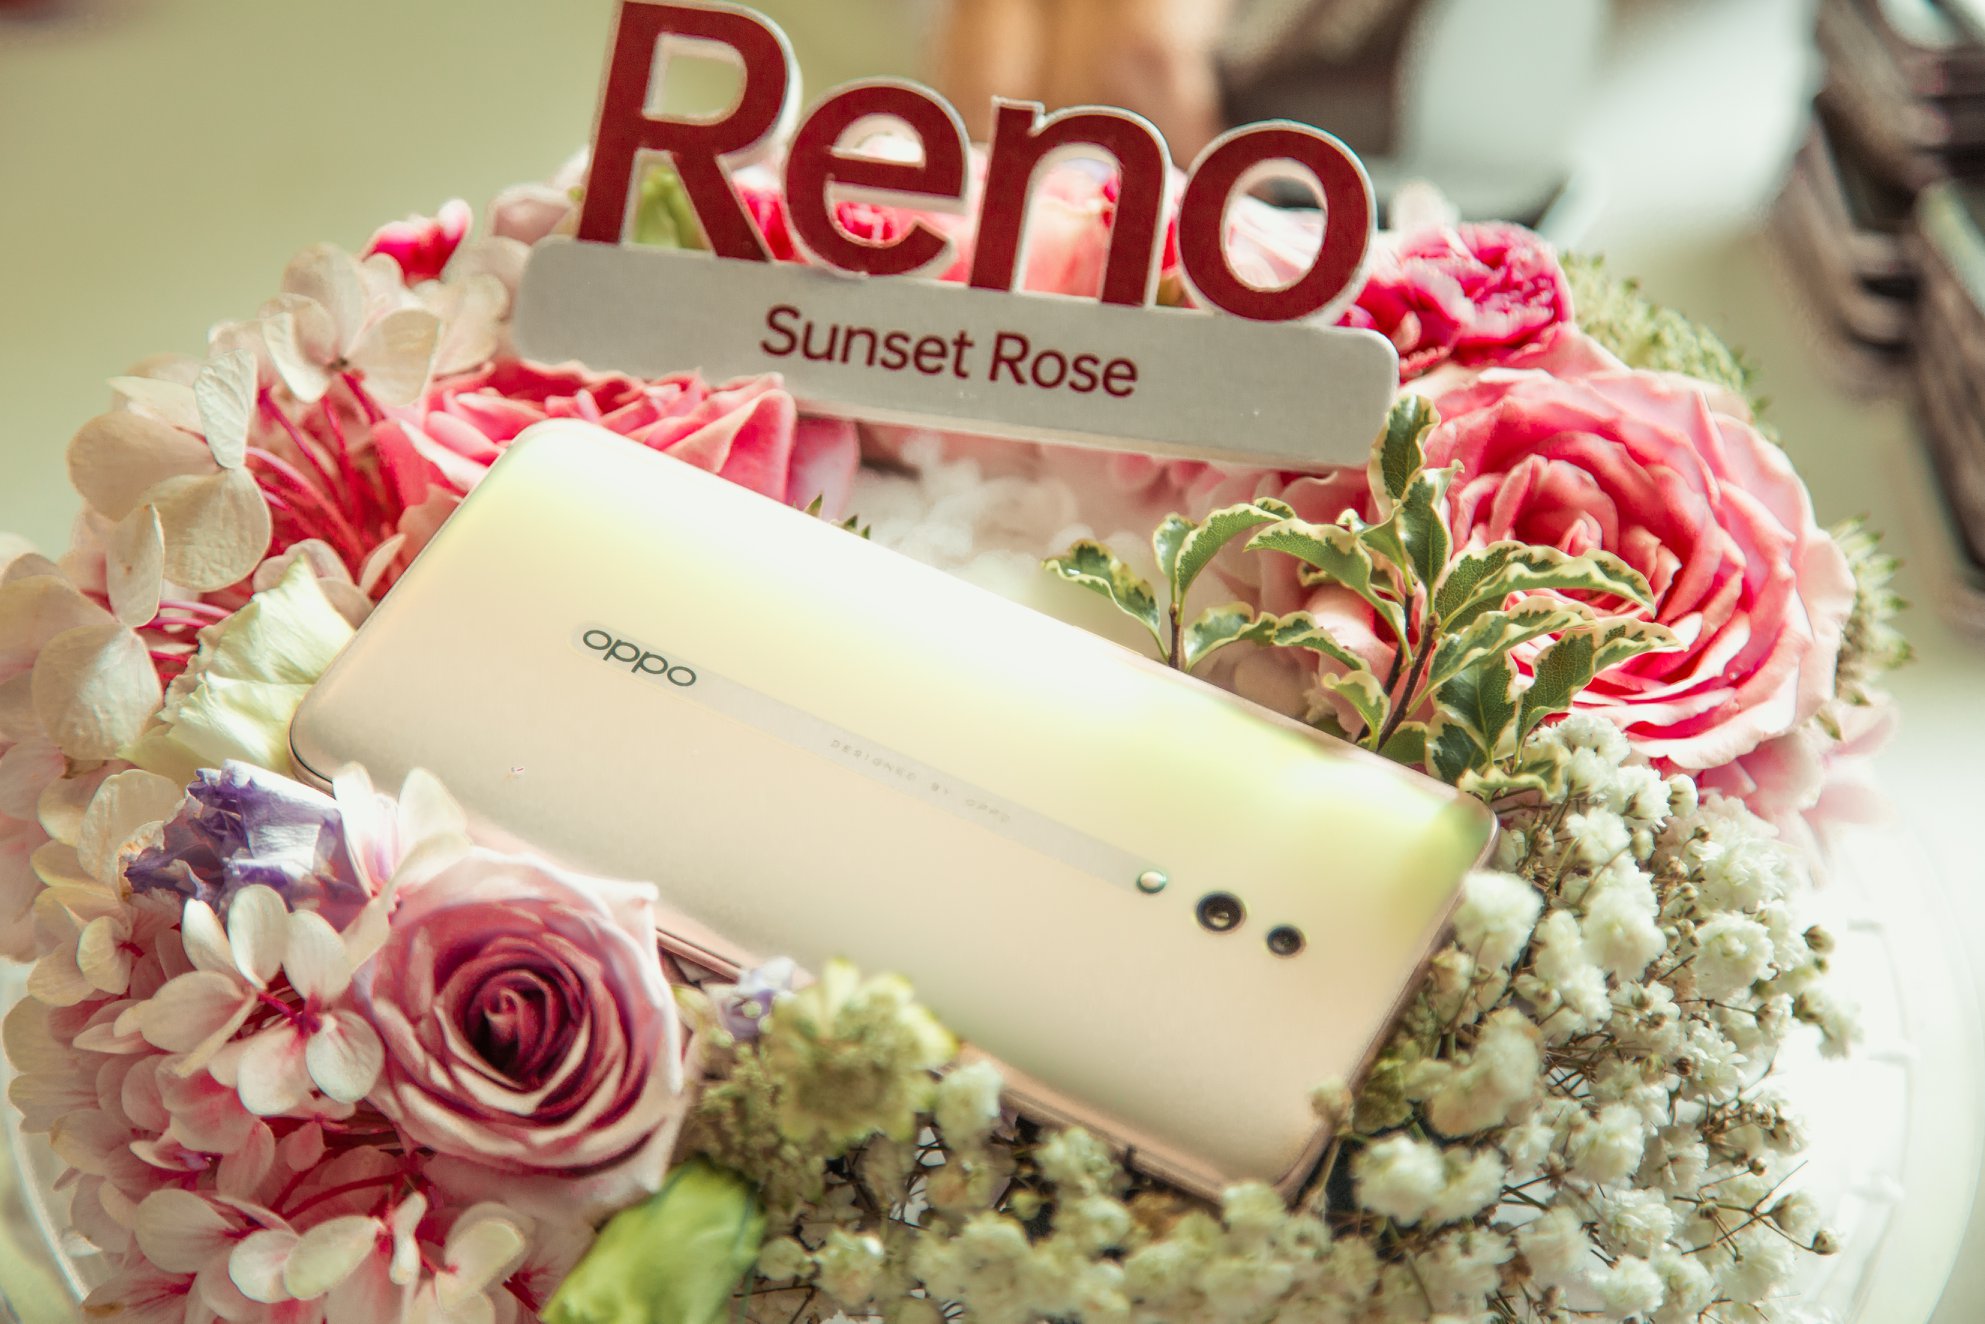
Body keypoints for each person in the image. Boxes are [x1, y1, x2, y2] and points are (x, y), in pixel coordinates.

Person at [932, 0, 1242, 162]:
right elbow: (1149, 51)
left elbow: (989, 84)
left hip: (1012, 179)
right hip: (1126, 182)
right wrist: (1234, 192)